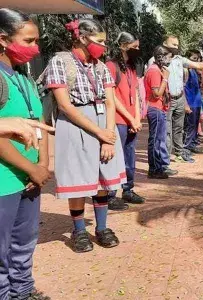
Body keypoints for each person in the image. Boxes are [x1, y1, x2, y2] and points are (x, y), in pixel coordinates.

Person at [45, 18, 127, 253]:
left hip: (103, 124)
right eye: (99, 41)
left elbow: (110, 103)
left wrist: (108, 135)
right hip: (75, 125)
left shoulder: (101, 67)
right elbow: (65, 105)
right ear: (82, 38)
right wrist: (99, 132)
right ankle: (79, 229)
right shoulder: (60, 61)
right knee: (79, 181)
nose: (102, 46)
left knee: (104, 178)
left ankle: (102, 227)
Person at [0, 8, 51, 300]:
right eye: (29, 41)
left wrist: (42, 165)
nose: (35, 48)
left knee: (24, 243)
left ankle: (23, 292)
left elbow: (39, 122)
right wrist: (30, 168)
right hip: (5, 180)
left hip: (30, 179)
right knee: (1, 250)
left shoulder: (23, 78)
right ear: (4, 40)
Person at [106, 32, 145, 208]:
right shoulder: (111, 66)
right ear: (123, 46)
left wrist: (136, 118)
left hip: (130, 120)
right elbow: (112, 96)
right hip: (117, 120)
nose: (137, 50)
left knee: (130, 156)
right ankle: (110, 194)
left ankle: (128, 189)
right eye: (134, 47)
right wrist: (129, 118)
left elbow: (135, 94)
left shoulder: (131, 67)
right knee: (115, 158)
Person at [144, 45, 179, 178]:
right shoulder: (154, 71)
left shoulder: (158, 69)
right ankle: (154, 169)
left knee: (160, 139)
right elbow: (157, 93)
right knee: (156, 140)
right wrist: (165, 78)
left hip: (160, 109)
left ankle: (159, 167)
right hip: (155, 108)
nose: (170, 60)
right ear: (161, 57)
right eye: (169, 57)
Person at [183, 50, 203, 154]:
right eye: (194, 59)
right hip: (190, 101)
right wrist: (185, 103)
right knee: (189, 125)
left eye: (197, 59)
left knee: (195, 124)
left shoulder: (194, 71)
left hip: (196, 101)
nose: (196, 61)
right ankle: (186, 147)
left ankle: (193, 143)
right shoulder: (185, 71)